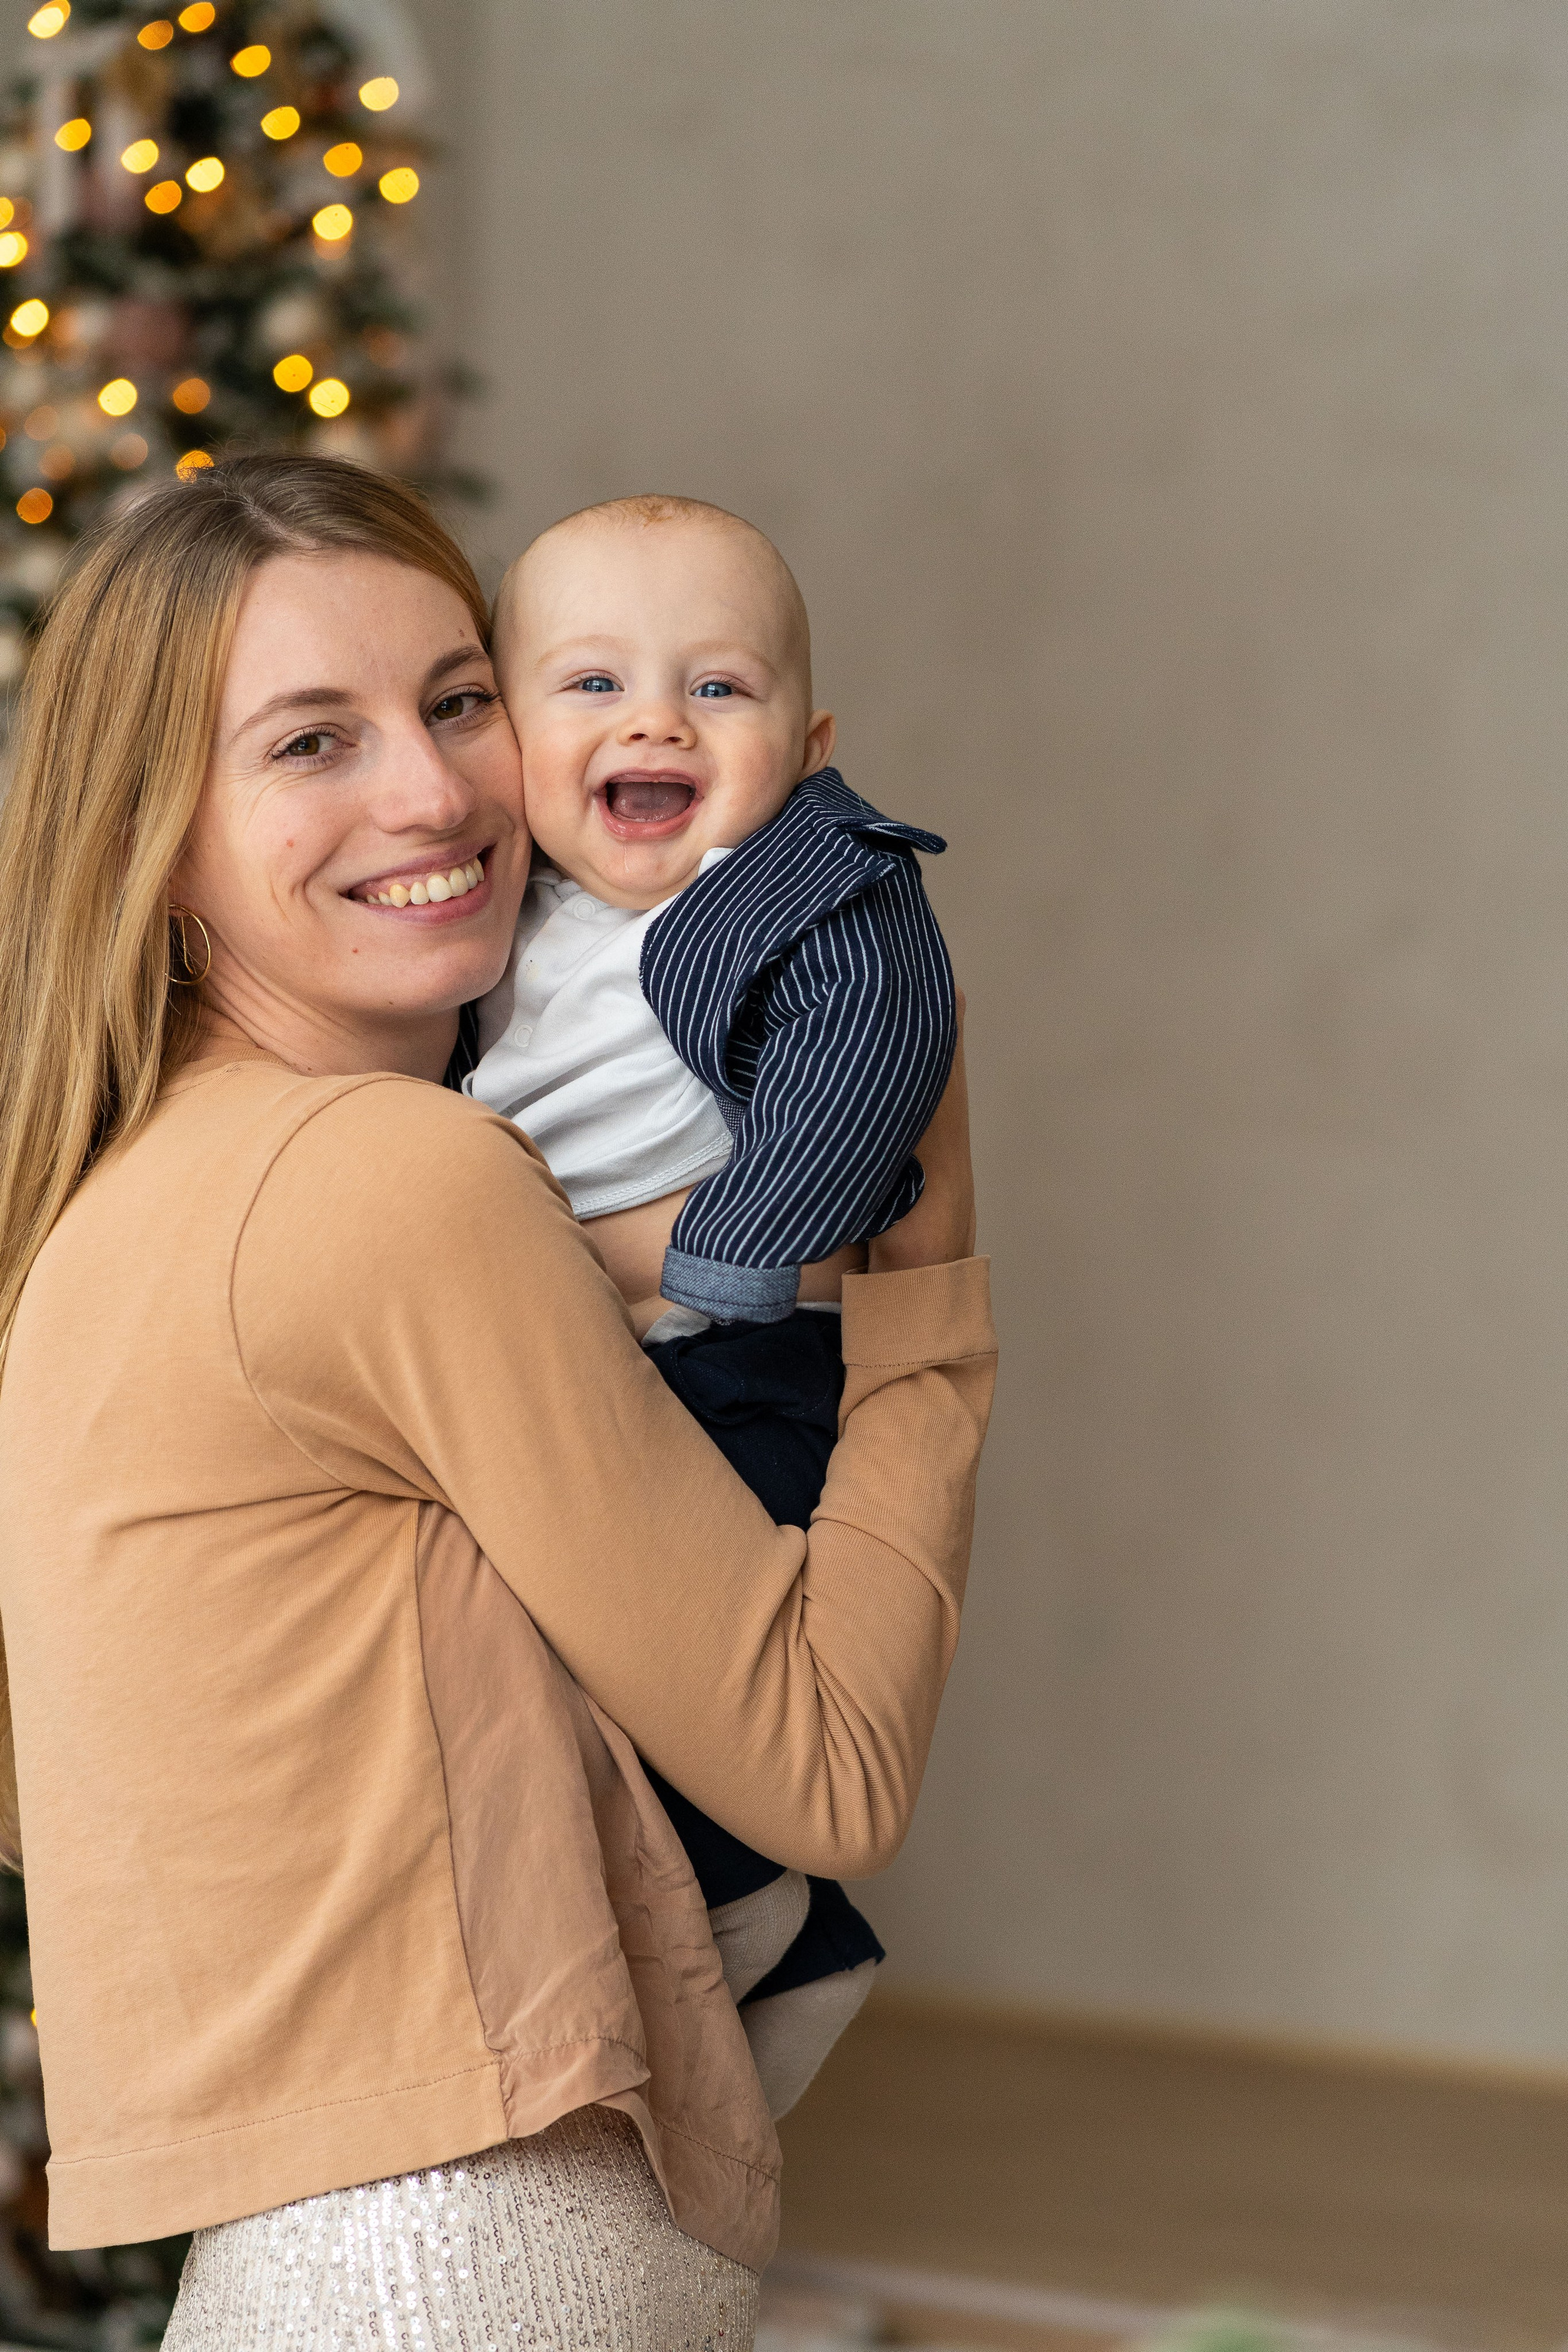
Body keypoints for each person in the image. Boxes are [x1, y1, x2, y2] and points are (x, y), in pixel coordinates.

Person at [0, 455, 995, 2352]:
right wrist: (934, 1296)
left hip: (318, 2252)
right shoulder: (393, 1183)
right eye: (312, 742)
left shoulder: (123, 1195)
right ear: (158, 831)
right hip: (480, 2261)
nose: (436, 790)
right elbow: (830, 1771)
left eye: (460, 699)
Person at [467, 495, 957, 2118]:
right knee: (546, 1681)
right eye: (591, 686)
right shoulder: (506, 912)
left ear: (807, 746)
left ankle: (750, 1919)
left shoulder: (799, 895)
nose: (657, 719)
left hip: (731, 1361)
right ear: (509, 729)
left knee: (697, 1677)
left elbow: (870, 1053)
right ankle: (781, 1947)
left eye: (718, 689)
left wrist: (722, 1253)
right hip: (560, 1364)